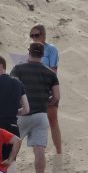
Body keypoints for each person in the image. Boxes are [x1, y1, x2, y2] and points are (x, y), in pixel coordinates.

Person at [10, 43, 60, 173]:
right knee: (39, 150)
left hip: (22, 114)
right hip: (41, 115)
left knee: (12, 148)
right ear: (43, 55)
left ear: (29, 53)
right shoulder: (50, 73)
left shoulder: (18, 68)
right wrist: (46, 102)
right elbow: (57, 96)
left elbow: (12, 88)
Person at [29, 24, 62, 154]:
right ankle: (39, 151)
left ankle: (59, 151)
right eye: (31, 36)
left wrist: (39, 67)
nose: (34, 38)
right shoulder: (30, 50)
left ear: (44, 35)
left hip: (48, 87)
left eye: (36, 35)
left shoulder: (51, 49)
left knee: (53, 120)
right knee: (36, 121)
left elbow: (54, 71)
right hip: (34, 89)